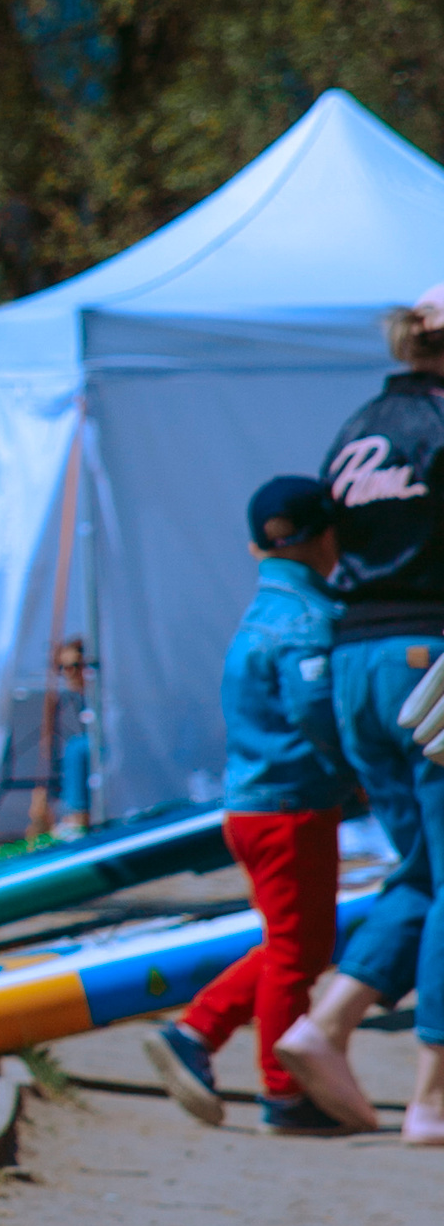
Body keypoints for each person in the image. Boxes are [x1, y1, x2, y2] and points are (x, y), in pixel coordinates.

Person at [274, 288, 444, 1144]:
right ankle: (433, 1096)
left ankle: (326, 1021)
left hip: (356, 662)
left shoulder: (359, 426)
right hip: (430, 655)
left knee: (423, 864)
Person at [143, 478, 351, 1132]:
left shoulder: (262, 612)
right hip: (292, 806)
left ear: (254, 546)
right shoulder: (306, 618)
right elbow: (316, 708)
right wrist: (362, 766)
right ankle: (282, 1091)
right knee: (296, 952)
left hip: (255, 805)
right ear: (327, 537)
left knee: (297, 943)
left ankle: (198, 1032)